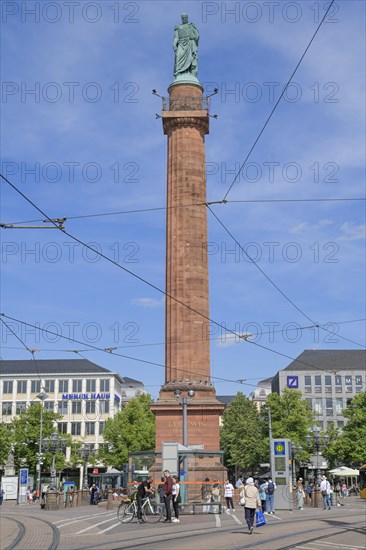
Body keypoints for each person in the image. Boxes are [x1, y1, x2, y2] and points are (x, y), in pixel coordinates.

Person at [173, 13, 199, 78]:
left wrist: (193, 37)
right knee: (178, 55)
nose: (184, 19)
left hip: (189, 44)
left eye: (185, 18)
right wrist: (174, 45)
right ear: (181, 19)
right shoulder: (178, 27)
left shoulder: (191, 26)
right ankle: (179, 73)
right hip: (181, 44)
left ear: (187, 18)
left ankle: (189, 72)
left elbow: (197, 36)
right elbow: (176, 37)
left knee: (190, 58)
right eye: (183, 18)